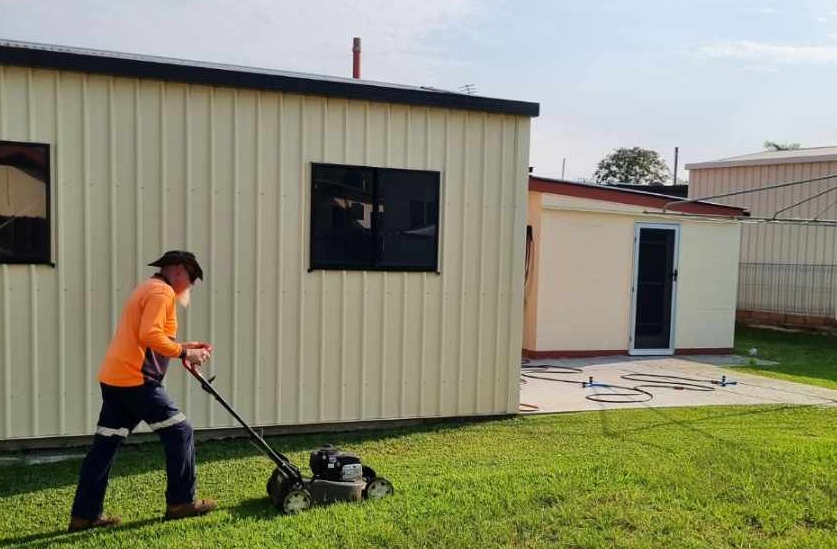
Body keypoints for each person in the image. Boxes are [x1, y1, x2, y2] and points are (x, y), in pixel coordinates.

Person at [68, 250, 217, 532]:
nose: (192, 285)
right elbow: (149, 335)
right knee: (180, 430)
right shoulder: (162, 293)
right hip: (135, 380)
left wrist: (185, 348)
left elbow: (151, 337)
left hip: (115, 377)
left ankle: (83, 517)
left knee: (105, 446)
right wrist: (185, 351)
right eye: (192, 277)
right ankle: (180, 503)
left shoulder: (147, 288)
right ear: (177, 271)